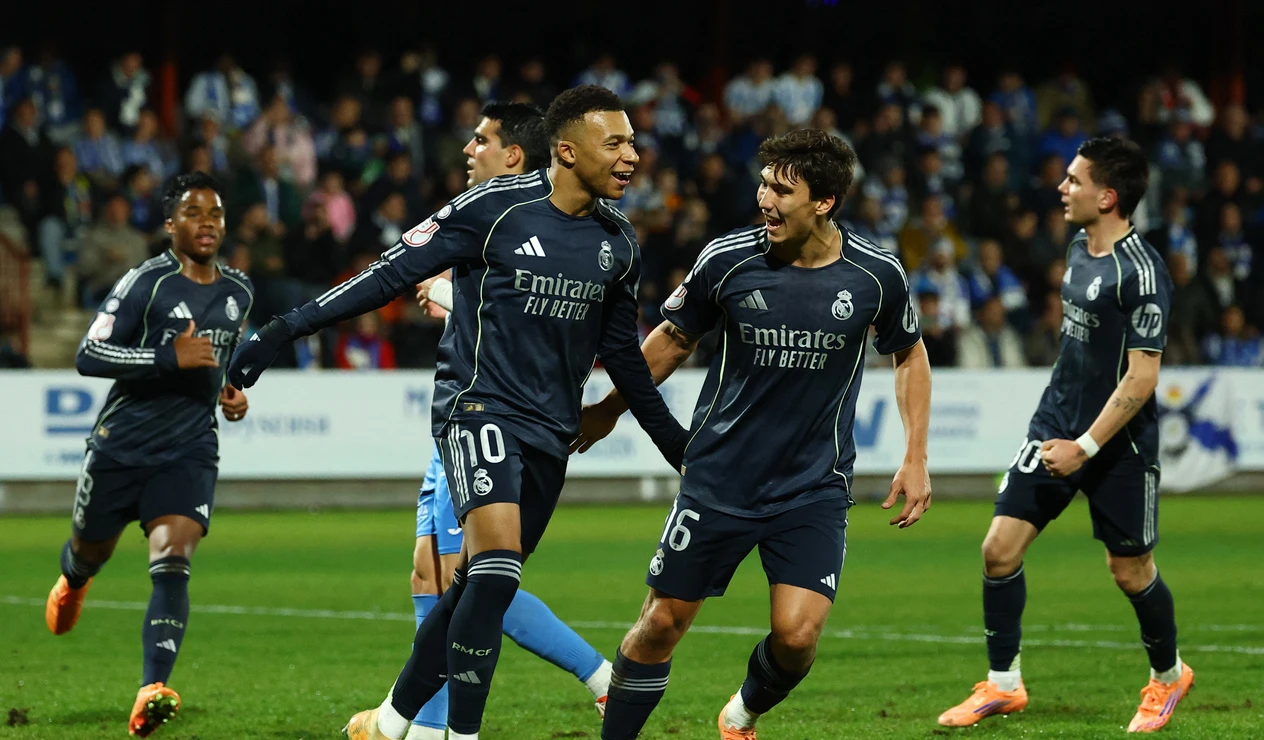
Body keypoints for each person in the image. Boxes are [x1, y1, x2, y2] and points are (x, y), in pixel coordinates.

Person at [227, 85, 688, 740]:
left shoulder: (619, 242)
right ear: (564, 149)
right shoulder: (491, 210)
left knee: (470, 587)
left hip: (550, 434)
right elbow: (386, 275)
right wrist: (279, 332)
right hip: (479, 411)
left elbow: (623, 357)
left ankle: (390, 722)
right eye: (615, 142)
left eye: (633, 142)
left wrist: (681, 450)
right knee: (495, 570)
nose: (633, 155)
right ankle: (460, 735)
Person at [572, 129, 934, 740]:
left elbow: (909, 355)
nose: (764, 198)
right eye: (763, 183)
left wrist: (916, 456)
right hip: (719, 478)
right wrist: (610, 407)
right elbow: (672, 340)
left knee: (797, 638)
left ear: (823, 202)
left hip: (812, 485)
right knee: (661, 623)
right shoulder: (727, 259)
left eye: (781, 189)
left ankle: (741, 714)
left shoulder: (876, 274)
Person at [937, 137, 1190, 733]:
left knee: (1130, 571)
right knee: (998, 550)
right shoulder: (1078, 246)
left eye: (1074, 180)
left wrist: (1088, 448)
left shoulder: (1144, 273)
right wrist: (1063, 427)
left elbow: (1143, 375)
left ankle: (1168, 676)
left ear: (1107, 196)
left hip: (1117, 445)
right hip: (1055, 426)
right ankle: (1003, 685)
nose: (1062, 187)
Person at [402, 101, 613, 740]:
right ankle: (428, 721)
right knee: (433, 571)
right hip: (460, 416)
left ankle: (598, 679)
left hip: (486, 416)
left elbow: (545, 324)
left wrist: (441, 292)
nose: (468, 150)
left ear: (514, 155)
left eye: (481, 140)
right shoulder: (486, 218)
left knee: (469, 577)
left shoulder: (532, 222)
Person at [44, 172, 254, 738]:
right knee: (90, 552)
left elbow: (218, 361)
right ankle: (75, 578)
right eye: (193, 212)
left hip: (188, 448)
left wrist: (229, 391)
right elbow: (90, 354)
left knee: (174, 558)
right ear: (170, 225)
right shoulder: (146, 283)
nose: (207, 221)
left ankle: (151, 689)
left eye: (215, 212)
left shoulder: (239, 291)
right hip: (122, 447)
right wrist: (167, 357)